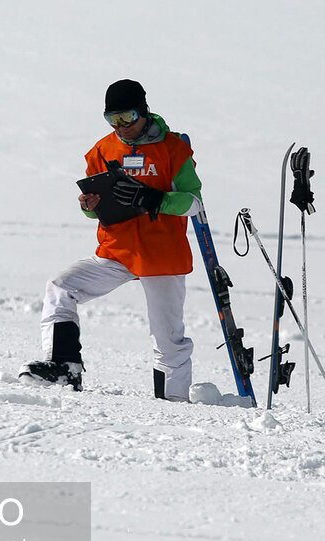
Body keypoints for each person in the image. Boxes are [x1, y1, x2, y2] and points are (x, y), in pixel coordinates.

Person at [19, 79, 202, 401]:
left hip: (161, 255)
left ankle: (174, 403)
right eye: (112, 119)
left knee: (168, 339)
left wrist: (157, 200)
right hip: (116, 251)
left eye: (127, 117)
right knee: (61, 287)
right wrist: (90, 207)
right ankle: (64, 367)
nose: (121, 127)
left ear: (144, 113)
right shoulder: (102, 150)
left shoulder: (174, 149)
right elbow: (96, 207)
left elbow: (195, 203)